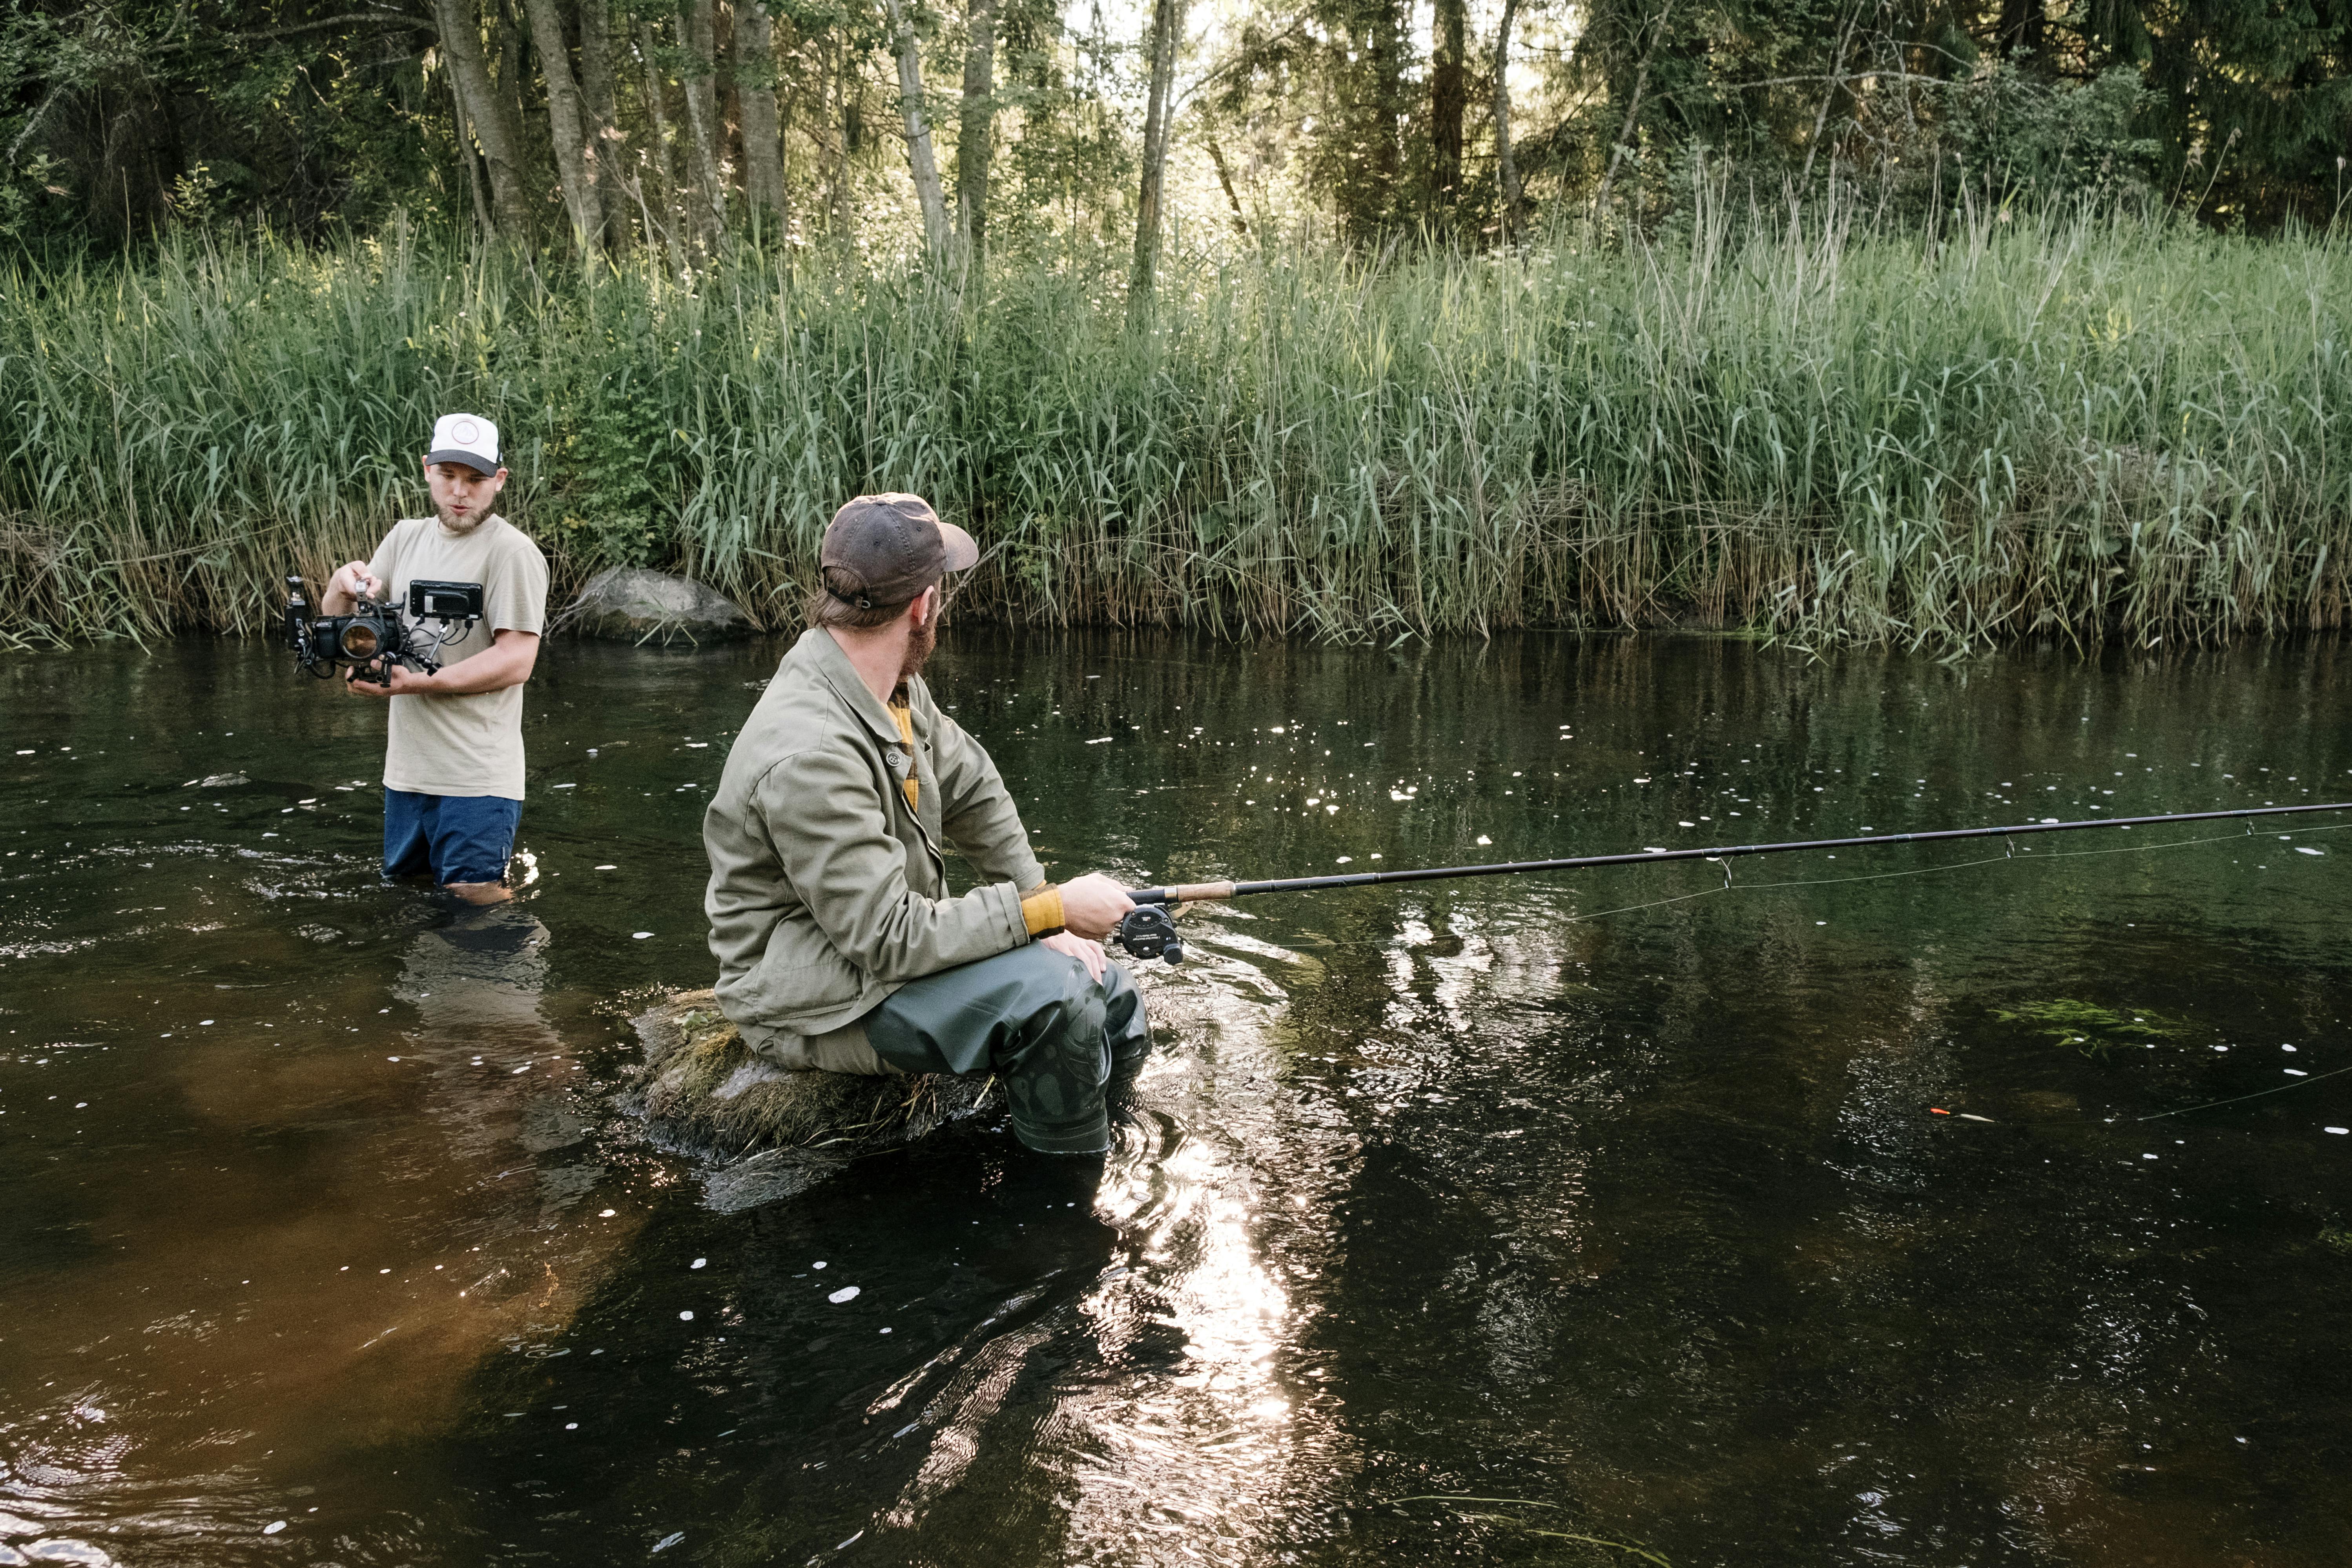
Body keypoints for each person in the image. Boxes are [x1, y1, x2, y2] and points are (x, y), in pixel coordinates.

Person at [703, 493, 1150, 1156]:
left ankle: (1100, 1149)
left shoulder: (889, 685)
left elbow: (973, 787)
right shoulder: (810, 750)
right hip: (809, 999)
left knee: (1108, 989)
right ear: (922, 605)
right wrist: (1044, 907)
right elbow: (887, 937)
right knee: (1057, 1003)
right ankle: (1061, 1218)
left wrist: (1048, 914)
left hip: (871, 961)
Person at [316, 414, 551, 904]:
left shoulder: (513, 553)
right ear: (427, 471)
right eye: (448, 476)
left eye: (475, 480)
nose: (460, 492)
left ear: (499, 481)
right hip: (406, 775)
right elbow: (348, 632)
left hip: (478, 779)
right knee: (410, 902)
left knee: (476, 906)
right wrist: (339, 589)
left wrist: (416, 683)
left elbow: (517, 661)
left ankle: (529, 976)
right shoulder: (404, 538)